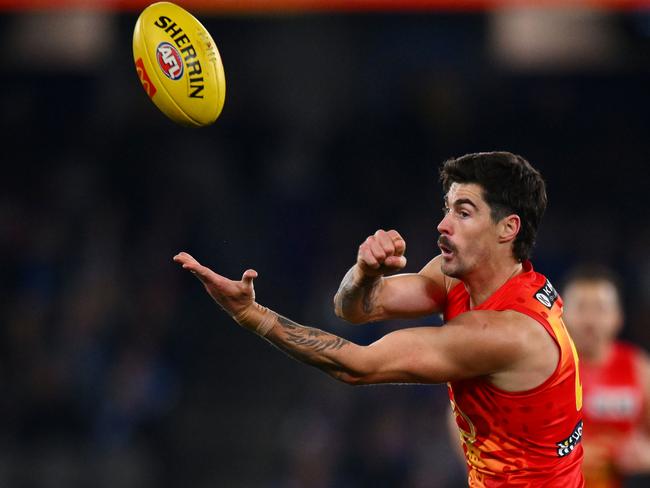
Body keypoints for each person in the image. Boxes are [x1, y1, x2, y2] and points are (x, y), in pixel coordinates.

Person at [174, 151, 584, 487]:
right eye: (446, 209)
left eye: (463, 212)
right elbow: (353, 308)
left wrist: (253, 315)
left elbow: (357, 366)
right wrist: (365, 272)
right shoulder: (464, 277)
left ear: (507, 228)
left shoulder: (509, 332)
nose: (442, 225)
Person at [562, 265, 650, 487]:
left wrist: (645, 456)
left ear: (618, 316)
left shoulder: (639, 367)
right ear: (561, 314)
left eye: (600, 308)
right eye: (581, 308)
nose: (590, 321)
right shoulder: (543, 370)